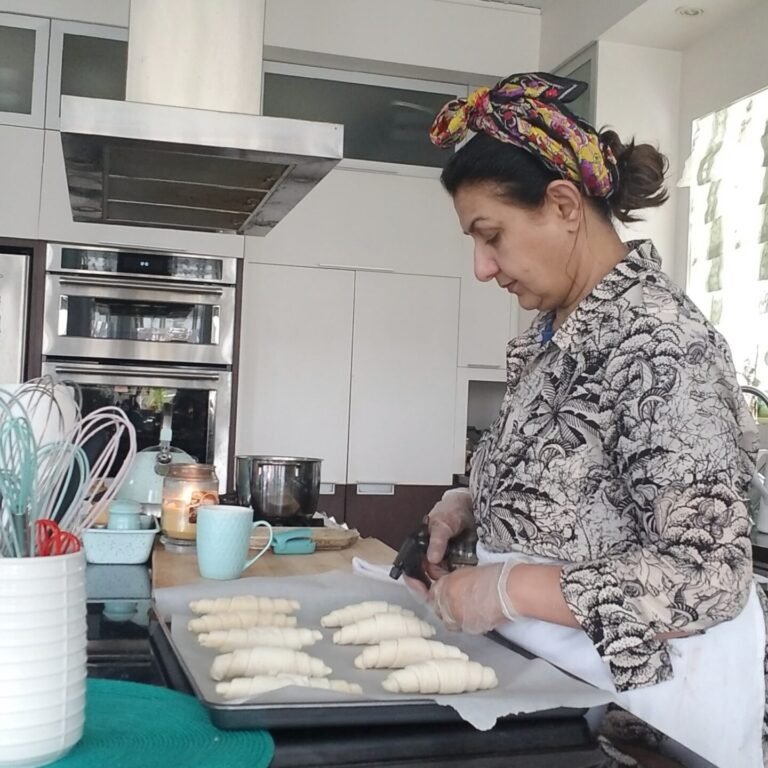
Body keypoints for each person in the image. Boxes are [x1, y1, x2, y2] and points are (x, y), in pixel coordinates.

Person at [416, 72, 767, 768]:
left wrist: (507, 589)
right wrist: (472, 505)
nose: (482, 267)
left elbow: (706, 576)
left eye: (492, 236)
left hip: (653, 713)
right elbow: (575, 491)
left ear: (564, 205)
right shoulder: (553, 339)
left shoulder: (661, 344)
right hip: (562, 689)